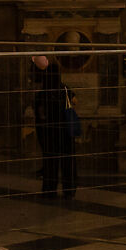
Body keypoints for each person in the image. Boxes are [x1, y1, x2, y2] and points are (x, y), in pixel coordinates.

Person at [28, 53, 78, 199]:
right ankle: (70, 190)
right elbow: (75, 101)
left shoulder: (42, 93)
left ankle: (50, 190)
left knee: (50, 162)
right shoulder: (65, 89)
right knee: (68, 161)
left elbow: (39, 113)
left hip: (50, 133)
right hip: (66, 132)